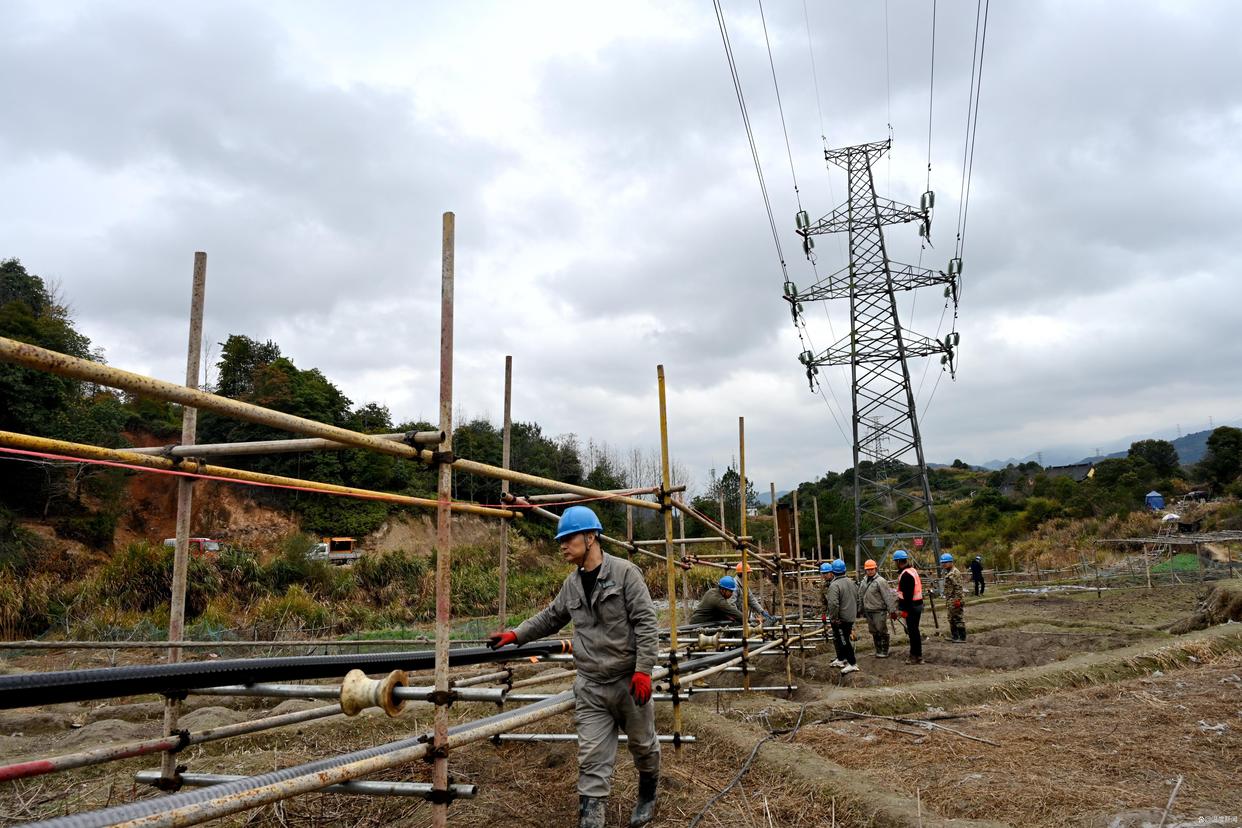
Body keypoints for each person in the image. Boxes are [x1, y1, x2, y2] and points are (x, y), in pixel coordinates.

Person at [488, 505, 659, 828]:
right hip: (592, 685)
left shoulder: (625, 574)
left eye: (568, 538)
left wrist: (643, 670)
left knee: (643, 746)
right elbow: (551, 617)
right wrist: (516, 634)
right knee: (592, 757)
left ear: (591, 537)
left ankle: (648, 794)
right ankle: (591, 820)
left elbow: (646, 624)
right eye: (561, 540)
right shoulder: (572, 585)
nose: (563, 545)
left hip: (627, 681)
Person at [824, 559, 860, 674]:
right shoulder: (851, 582)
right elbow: (857, 598)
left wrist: (834, 618)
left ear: (833, 571)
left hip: (841, 619)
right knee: (843, 639)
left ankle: (852, 663)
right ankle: (842, 659)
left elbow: (833, 604)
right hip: (850, 616)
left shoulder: (834, 585)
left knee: (844, 641)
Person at [858, 558, 897, 658]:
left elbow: (887, 596)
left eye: (872, 569)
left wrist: (892, 610)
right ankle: (878, 650)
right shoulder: (863, 582)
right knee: (874, 631)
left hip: (879, 610)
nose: (870, 571)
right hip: (868, 610)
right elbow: (861, 596)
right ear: (865, 570)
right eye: (868, 569)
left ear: (875, 569)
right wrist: (860, 609)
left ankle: (884, 651)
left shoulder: (881, 581)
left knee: (881, 630)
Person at [892, 549, 924, 664]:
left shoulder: (906, 575)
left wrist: (904, 610)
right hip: (918, 604)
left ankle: (915, 656)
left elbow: (907, 595)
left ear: (899, 561)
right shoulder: (912, 570)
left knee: (912, 632)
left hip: (912, 607)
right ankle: (917, 655)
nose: (895, 563)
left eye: (896, 561)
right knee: (914, 631)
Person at [941, 552, 967, 642]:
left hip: (955, 599)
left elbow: (958, 588)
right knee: (951, 618)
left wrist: (958, 600)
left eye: (946, 562)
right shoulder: (949, 572)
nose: (944, 564)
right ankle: (955, 636)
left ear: (951, 562)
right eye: (943, 563)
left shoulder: (955, 573)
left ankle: (962, 637)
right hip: (950, 599)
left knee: (958, 618)